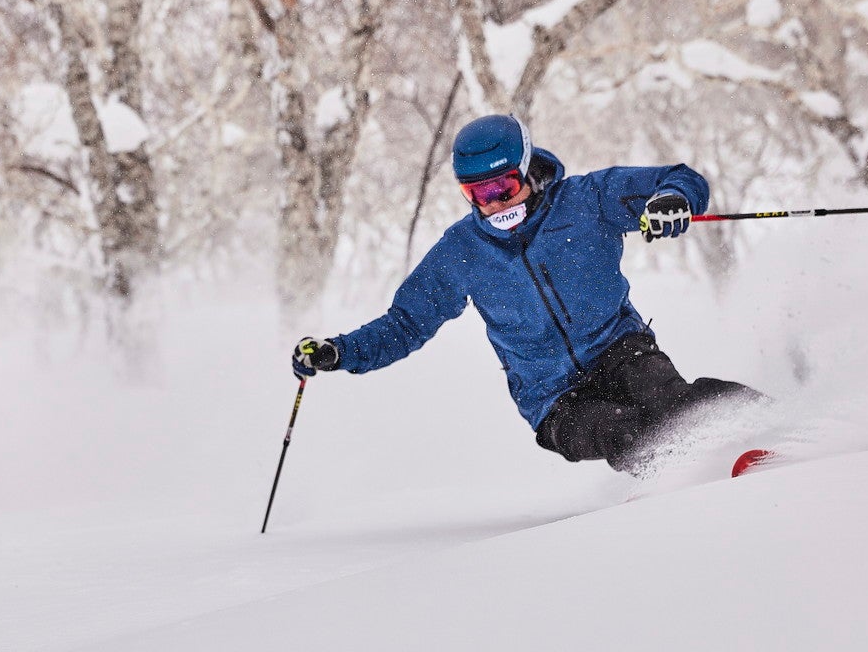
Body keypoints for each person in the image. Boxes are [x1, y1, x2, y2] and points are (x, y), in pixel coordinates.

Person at [291, 113, 762, 475]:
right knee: (625, 434)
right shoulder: (463, 251)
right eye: (479, 194)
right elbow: (406, 323)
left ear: (528, 170)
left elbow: (679, 179)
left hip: (621, 349)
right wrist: (340, 352)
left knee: (676, 407)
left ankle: (770, 423)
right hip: (552, 397)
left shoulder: (586, 202)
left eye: (504, 187)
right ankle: (682, 482)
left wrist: (673, 200)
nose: (495, 203)